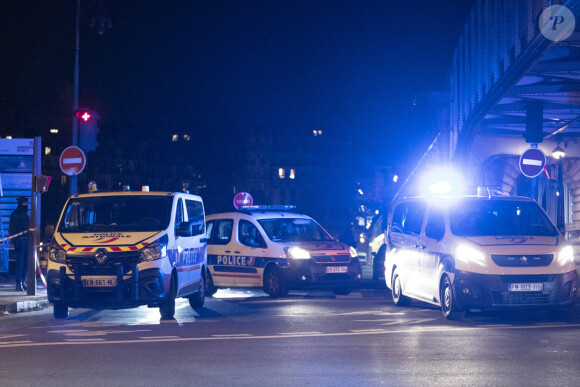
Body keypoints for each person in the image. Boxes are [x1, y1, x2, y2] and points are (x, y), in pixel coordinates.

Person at [9, 197, 29, 291]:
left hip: (26, 241)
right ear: (21, 204)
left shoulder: (25, 215)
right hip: (19, 241)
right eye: (25, 204)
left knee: (25, 263)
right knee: (20, 263)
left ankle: (23, 281)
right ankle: (18, 283)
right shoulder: (15, 215)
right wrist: (14, 242)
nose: (26, 206)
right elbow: (12, 230)